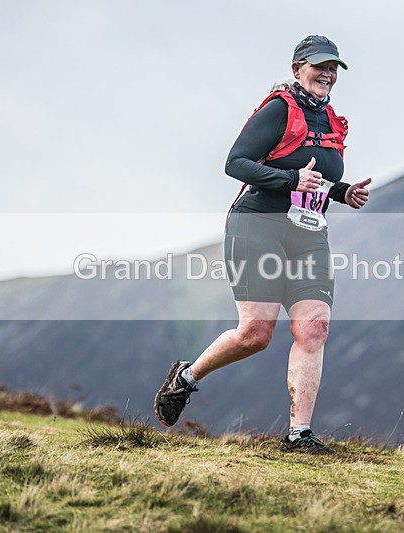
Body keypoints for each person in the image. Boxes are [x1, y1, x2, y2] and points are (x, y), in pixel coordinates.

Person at [154, 35, 371, 454]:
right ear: (297, 69)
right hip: (257, 226)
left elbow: (314, 177)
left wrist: (342, 193)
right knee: (255, 334)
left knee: (314, 327)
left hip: (308, 232)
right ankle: (186, 378)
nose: (327, 73)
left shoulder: (331, 120)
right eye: (319, 65)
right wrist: (292, 181)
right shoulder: (279, 108)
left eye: (334, 68)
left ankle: (299, 434)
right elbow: (235, 163)